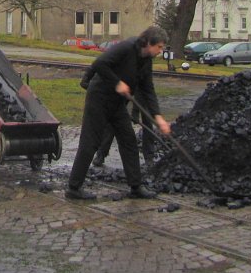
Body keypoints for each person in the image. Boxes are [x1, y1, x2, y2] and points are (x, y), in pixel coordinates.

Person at [66, 26, 172, 200]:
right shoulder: (126, 47)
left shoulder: (146, 60)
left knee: (128, 140)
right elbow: (99, 64)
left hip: (117, 104)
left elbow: (148, 89)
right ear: (149, 43)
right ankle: (73, 187)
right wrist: (117, 83)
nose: (160, 51)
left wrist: (158, 117)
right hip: (99, 99)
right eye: (159, 47)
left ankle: (135, 186)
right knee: (90, 142)